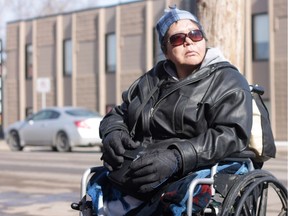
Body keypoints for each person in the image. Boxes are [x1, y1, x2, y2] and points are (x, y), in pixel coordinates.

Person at [87, 6, 252, 216]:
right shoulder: (151, 79)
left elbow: (231, 134)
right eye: (177, 38)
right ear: (165, 49)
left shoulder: (228, 80)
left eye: (195, 34)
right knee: (97, 187)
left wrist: (177, 157)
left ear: (203, 39)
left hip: (193, 166)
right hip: (144, 164)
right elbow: (119, 113)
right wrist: (113, 132)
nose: (189, 41)